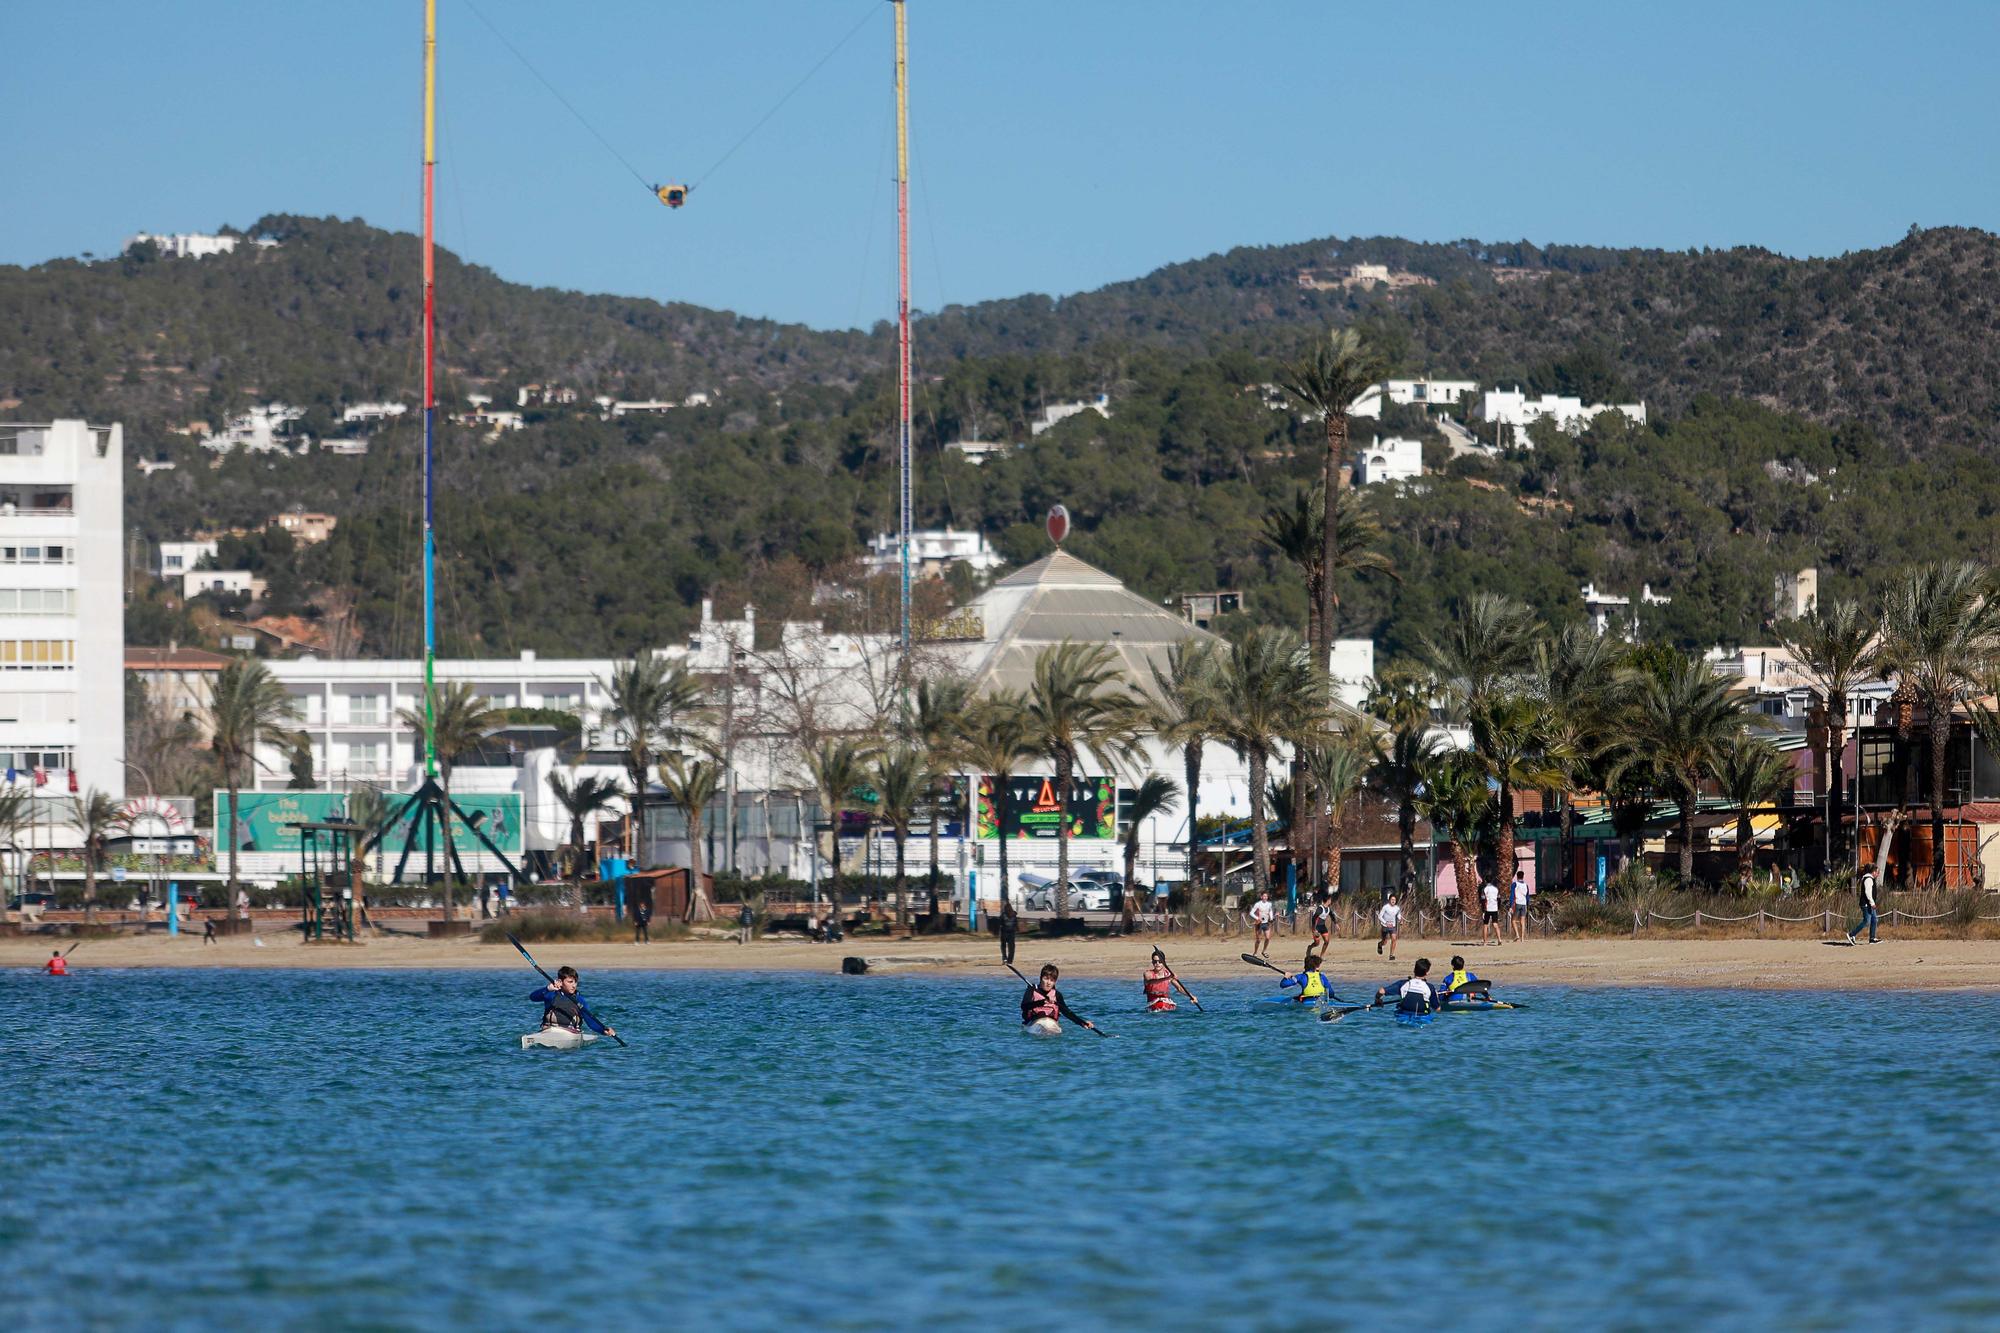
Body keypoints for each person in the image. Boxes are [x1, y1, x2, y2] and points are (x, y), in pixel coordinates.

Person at [528, 965, 616, 1039]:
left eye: (575, 982)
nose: (574, 985)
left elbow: (590, 1021)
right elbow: (532, 997)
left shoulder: (579, 1000)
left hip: (571, 1034)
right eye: (570, 982)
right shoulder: (551, 995)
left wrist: (603, 1030)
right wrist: (547, 988)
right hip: (549, 1031)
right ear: (560, 982)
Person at [1021, 962, 1098, 1033]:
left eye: (1052, 980)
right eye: (1046, 978)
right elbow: (1024, 1006)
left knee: (1051, 1032)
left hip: (1052, 1024)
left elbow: (1067, 1012)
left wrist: (1082, 1023)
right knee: (1044, 1032)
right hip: (1035, 1023)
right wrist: (1042, 1002)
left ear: (1055, 982)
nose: (1048, 983)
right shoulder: (1032, 990)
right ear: (1041, 978)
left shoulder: (1057, 995)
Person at [1847, 869, 1880, 945]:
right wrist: (1872, 903)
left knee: (1874, 919)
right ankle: (1851, 934)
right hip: (1866, 904)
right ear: (1874, 872)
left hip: (1870, 904)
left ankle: (1872, 938)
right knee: (1866, 921)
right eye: (1877, 873)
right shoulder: (1868, 879)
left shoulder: (1871, 879)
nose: (1878, 874)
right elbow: (1868, 892)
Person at [1249, 889, 1276, 958]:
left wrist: (1271, 918)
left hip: (1266, 923)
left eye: (1266, 896)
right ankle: (1255, 952)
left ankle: (1264, 951)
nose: (1265, 898)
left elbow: (1270, 911)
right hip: (1259, 923)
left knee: (1267, 938)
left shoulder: (1269, 904)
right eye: (1264, 896)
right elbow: (1251, 913)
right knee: (1258, 939)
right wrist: (1257, 918)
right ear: (1261, 897)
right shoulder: (1258, 904)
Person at [1376, 892, 1402, 960]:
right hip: (1385, 926)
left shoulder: (1397, 908)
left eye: (1394, 900)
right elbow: (1380, 916)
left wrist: (1400, 919)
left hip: (1392, 926)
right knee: (1385, 941)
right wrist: (1385, 923)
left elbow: (1398, 915)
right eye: (1392, 899)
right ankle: (1380, 944)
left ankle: (1391, 955)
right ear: (1389, 900)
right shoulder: (1385, 907)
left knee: (1394, 939)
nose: (1393, 901)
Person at [1479, 877, 1504, 946]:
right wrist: (1498, 908)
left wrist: (1483, 910)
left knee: (1485, 925)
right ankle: (1499, 940)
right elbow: (1499, 899)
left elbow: (1483, 900)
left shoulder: (1484, 889)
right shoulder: (1496, 889)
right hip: (1494, 908)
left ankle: (1485, 942)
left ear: (1485, 881)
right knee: (1495, 924)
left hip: (1487, 909)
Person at [1509, 870, 1530, 943]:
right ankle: (1522, 938)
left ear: (1517, 876)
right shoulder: (1526, 885)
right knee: (1522, 921)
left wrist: (1511, 906)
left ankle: (1517, 935)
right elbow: (1527, 896)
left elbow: (1512, 895)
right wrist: (1527, 905)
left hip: (1517, 903)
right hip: (1524, 904)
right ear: (1523, 876)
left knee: (1513, 920)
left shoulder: (1515, 884)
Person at [630, 877, 653, 945]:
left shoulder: (646, 910)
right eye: (641, 905)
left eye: (643, 905)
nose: (642, 906)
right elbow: (635, 916)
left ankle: (647, 941)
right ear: (640, 905)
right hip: (639, 922)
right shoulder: (637, 910)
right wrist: (635, 921)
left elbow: (648, 916)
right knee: (638, 933)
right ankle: (636, 941)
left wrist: (648, 921)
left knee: (645, 932)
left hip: (644, 922)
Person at [998, 901, 1018, 966]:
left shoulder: (1003, 915)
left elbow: (1000, 923)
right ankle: (1010, 961)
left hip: (1004, 933)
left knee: (1003, 946)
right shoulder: (1014, 915)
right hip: (1011, 933)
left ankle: (1004, 958)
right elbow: (1016, 924)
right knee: (1011, 948)